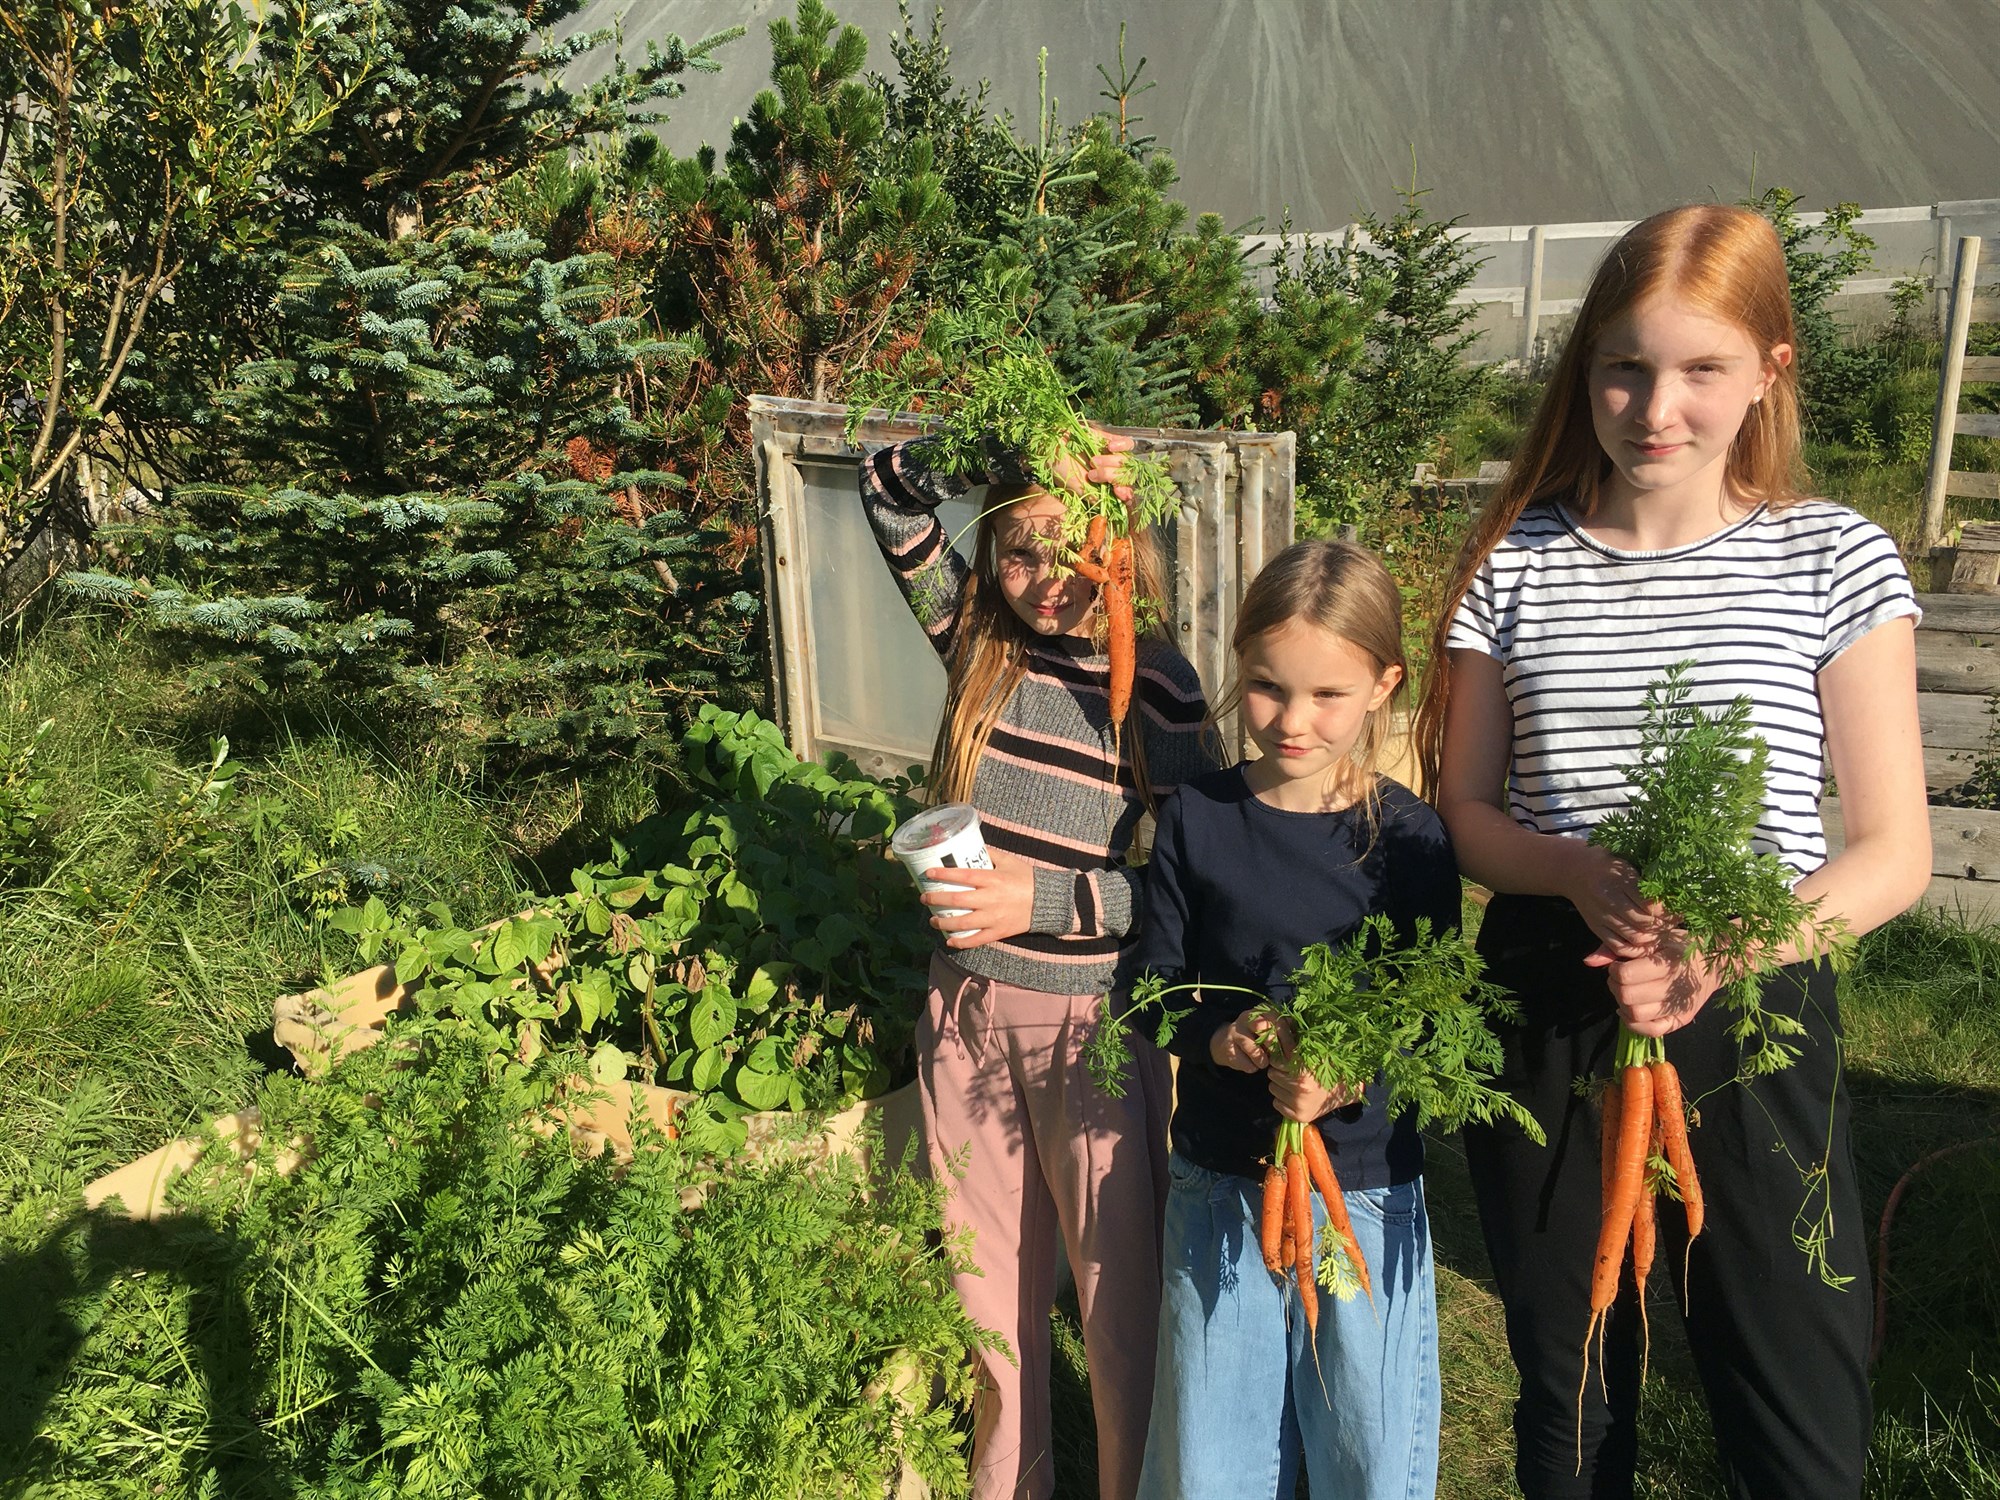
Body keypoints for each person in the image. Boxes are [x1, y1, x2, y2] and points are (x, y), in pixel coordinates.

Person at [1417, 203, 1931, 1500]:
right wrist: (1580, 875)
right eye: (1625, 366)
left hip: (1756, 997)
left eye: (1701, 369)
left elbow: (1892, 850)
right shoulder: (1511, 562)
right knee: (1575, 1379)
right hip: (1546, 982)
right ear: (1585, 368)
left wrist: (1734, 946)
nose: (1656, 407)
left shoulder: (1833, 559)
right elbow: (1469, 814)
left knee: (1791, 1390)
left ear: (1771, 369)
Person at [859, 432, 1216, 1500]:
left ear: (1118, 539)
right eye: (1014, 551)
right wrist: (1024, 441)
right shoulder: (980, 641)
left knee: (1115, 1309)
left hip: (1089, 1033)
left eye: (1068, 548)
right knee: (988, 1297)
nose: (1041, 580)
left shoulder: (1152, 684)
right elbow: (884, 483)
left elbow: (1193, 891)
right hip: (961, 1016)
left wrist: (1042, 899)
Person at [1129, 539, 1460, 1500]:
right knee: (1212, 1446)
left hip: (1360, 1187)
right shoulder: (1196, 817)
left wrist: (1355, 1071)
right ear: (1238, 667)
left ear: (1383, 684)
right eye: (1269, 688)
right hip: (1222, 1178)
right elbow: (1152, 988)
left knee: (1365, 1439)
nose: (1294, 721)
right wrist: (1215, 1038)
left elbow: (1434, 1018)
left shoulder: (1409, 836)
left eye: (1328, 696)